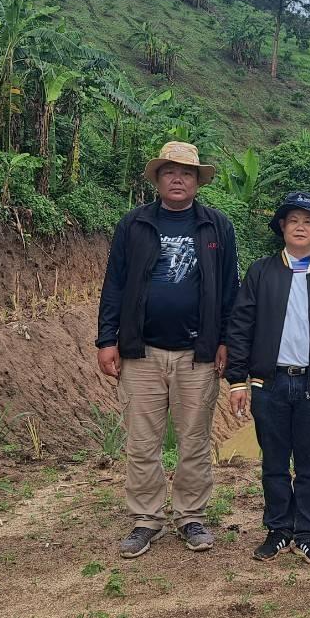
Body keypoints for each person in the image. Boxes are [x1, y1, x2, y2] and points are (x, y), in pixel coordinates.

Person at [96, 141, 240, 559]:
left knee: (194, 440)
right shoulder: (134, 224)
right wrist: (108, 339)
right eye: (170, 172)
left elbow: (229, 289)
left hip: (198, 353)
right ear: (158, 179)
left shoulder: (217, 226)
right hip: (141, 352)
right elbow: (115, 285)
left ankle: (190, 516)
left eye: (187, 173)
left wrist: (226, 341)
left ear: (197, 182)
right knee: (142, 442)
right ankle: (146, 519)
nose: (178, 179)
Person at [226, 191, 310, 566]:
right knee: (273, 461)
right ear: (282, 228)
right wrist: (238, 380)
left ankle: (308, 534)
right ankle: (278, 530)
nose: (300, 227)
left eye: (309, 222)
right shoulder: (261, 272)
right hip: (270, 385)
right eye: (293, 221)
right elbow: (241, 326)